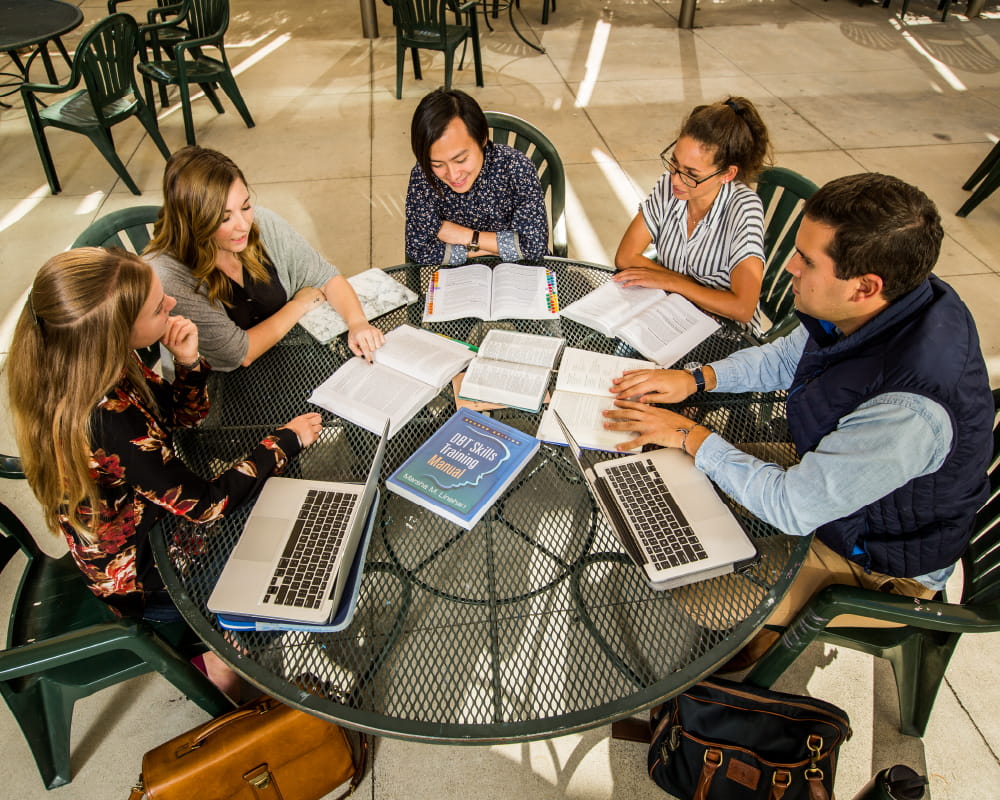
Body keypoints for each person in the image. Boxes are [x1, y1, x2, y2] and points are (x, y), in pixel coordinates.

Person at [604, 173, 993, 667]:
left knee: (688, 583)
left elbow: (793, 507)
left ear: (864, 286)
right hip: (840, 485)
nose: (787, 266)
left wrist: (689, 434)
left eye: (807, 261)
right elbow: (782, 359)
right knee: (659, 465)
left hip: (879, 559)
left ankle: (737, 658)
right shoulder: (892, 300)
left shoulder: (908, 410)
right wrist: (694, 378)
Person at [7, 248, 326, 697]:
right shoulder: (106, 419)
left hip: (155, 520)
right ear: (116, 331)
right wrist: (283, 442)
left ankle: (227, 641)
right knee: (290, 564)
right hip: (144, 577)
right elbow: (208, 505)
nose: (172, 305)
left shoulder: (96, 361)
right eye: (159, 308)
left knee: (281, 509)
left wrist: (189, 362)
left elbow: (181, 419)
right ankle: (220, 656)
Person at [146, 146, 384, 372]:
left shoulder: (261, 223)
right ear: (193, 222)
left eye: (246, 206)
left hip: (287, 354)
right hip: (222, 386)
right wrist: (299, 304)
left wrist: (357, 323)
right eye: (224, 218)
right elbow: (239, 353)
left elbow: (325, 277)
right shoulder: (170, 276)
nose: (244, 225)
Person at [613, 96, 772, 330]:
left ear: (727, 174)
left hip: (724, 332)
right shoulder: (669, 186)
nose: (676, 179)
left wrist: (670, 281)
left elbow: (742, 308)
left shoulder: (744, 210)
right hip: (671, 313)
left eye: (691, 174)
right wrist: (688, 287)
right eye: (674, 163)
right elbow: (625, 257)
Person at [405, 88, 549, 265]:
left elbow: (535, 247)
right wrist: (503, 247)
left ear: (482, 139)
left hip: (521, 273)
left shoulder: (516, 168)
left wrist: (466, 236)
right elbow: (418, 249)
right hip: (456, 278)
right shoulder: (422, 176)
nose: (453, 175)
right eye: (437, 164)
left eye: (461, 159)